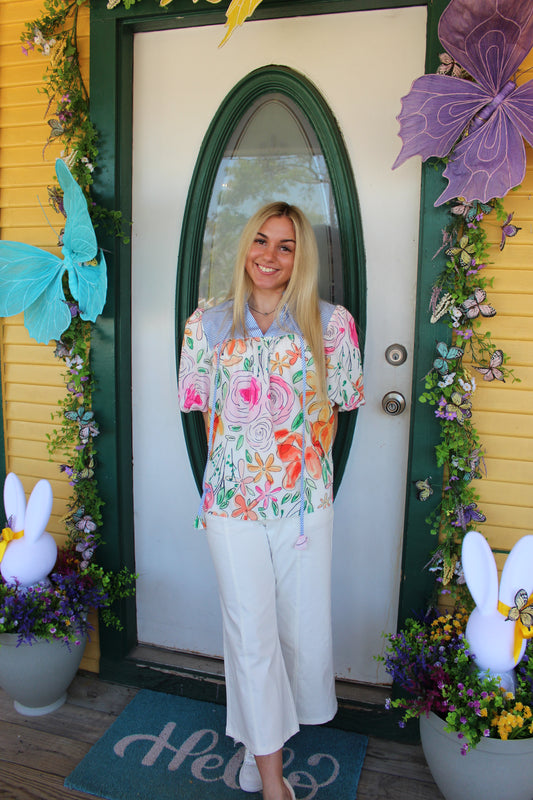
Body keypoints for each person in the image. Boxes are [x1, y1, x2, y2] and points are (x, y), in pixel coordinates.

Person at [178, 202, 364, 800]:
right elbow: (200, 409)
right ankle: (271, 776)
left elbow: (341, 408)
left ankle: (262, 730)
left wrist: (303, 471)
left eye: (285, 246)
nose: (269, 255)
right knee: (249, 632)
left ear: (301, 256)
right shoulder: (206, 324)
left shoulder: (331, 325)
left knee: (299, 634)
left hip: (304, 510)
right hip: (232, 507)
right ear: (245, 246)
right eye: (261, 240)